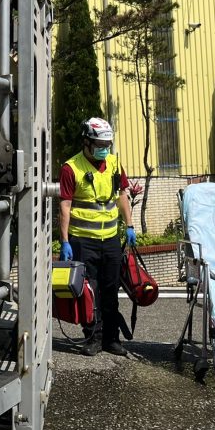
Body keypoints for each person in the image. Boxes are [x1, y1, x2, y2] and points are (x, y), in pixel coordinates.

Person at [58, 117, 135, 357]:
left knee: (111, 290)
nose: (104, 149)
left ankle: (112, 339)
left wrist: (130, 225)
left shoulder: (114, 163)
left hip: (110, 239)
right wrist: (65, 241)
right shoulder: (71, 168)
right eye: (100, 145)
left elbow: (122, 194)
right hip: (83, 241)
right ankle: (93, 337)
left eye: (107, 145)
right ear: (86, 142)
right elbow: (65, 206)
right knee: (89, 292)